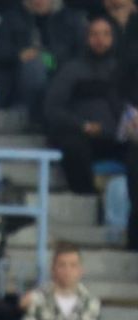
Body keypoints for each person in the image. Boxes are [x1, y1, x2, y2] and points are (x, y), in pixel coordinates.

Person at [44, 16, 136, 199]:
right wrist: (83, 125)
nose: (100, 40)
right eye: (94, 34)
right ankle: (88, 198)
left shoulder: (124, 71)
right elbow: (52, 108)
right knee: (72, 145)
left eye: (106, 34)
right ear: (86, 38)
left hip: (116, 136)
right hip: (82, 135)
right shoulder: (71, 69)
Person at [0, 0, 87, 120]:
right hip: (19, 72)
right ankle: (32, 111)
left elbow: (80, 55)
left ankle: (37, 112)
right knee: (33, 65)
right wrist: (19, 55)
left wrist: (47, 57)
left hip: (57, 70)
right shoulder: (13, 17)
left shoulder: (70, 19)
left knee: (39, 63)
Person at [20, 242, 102, 320]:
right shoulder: (36, 300)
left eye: (73, 265)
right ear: (53, 269)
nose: (67, 271)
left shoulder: (91, 302)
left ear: (81, 270)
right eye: (62, 265)